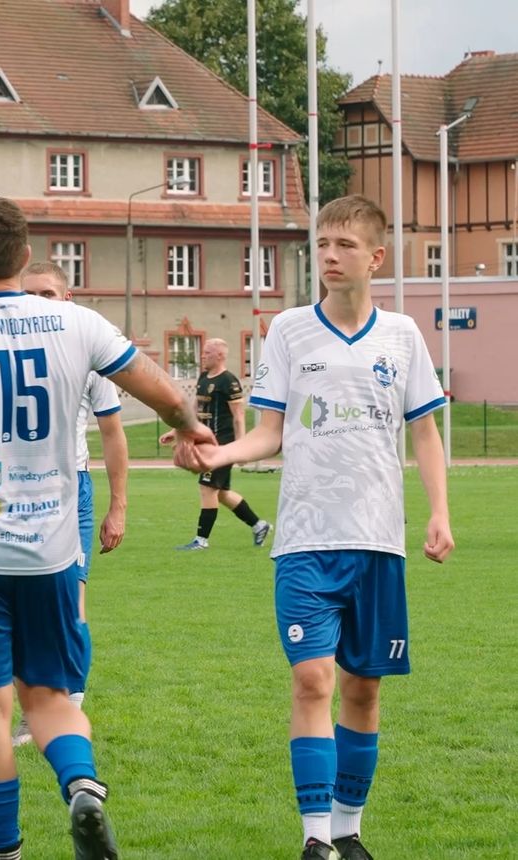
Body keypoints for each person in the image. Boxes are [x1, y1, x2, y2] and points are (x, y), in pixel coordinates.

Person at [0, 197, 212, 859]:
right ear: (26, 259)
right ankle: (82, 784)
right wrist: (189, 427)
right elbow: (166, 393)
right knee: (51, 696)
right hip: (54, 552)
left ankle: (6, 852)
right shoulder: (76, 323)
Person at [178, 195, 453, 860]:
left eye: (344, 245)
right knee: (312, 681)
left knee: (363, 687)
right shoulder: (290, 332)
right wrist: (220, 453)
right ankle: (313, 840)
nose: (329, 255)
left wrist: (440, 511)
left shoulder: (404, 336)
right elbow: (269, 434)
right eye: (322, 243)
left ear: (376, 257)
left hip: (378, 541)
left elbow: (425, 432)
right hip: (305, 540)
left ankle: (347, 828)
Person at [11, 261, 130, 745]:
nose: (37, 302)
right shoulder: (3, 349)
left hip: (69, 492)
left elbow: (112, 432)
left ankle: (69, 707)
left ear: (67, 298)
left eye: (46, 293)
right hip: (12, 493)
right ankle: (27, 712)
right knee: (16, 610)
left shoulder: (89, 354)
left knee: (70, 605)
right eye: (29, 294)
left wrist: (117, 506)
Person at [166, 337, 271, 550]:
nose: (202, 356)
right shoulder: (204, 378)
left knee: (207, 488)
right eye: (203, 352)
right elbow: (194, 410)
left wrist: (241, 449)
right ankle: (259, 525)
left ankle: (201, 541)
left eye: (207, 352)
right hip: (207, 443)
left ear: (220, 355)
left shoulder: (228, 381)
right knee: (220, 493)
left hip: (222, 446)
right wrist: (177, 431)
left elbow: (239, 416)